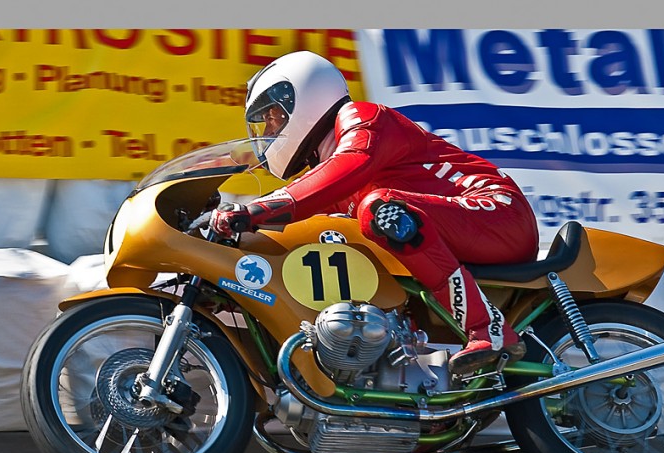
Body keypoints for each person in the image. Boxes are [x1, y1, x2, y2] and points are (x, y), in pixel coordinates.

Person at [209, 51, 539, 375]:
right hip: (471, 226)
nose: (269, 129)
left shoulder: (363, 119)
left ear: (302, 98)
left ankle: (488, 329)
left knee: (382, 210)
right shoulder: (333, 176)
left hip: (498, 211)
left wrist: (252, 210)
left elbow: (343, 168)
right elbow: (296, 211)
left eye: (274, 116)